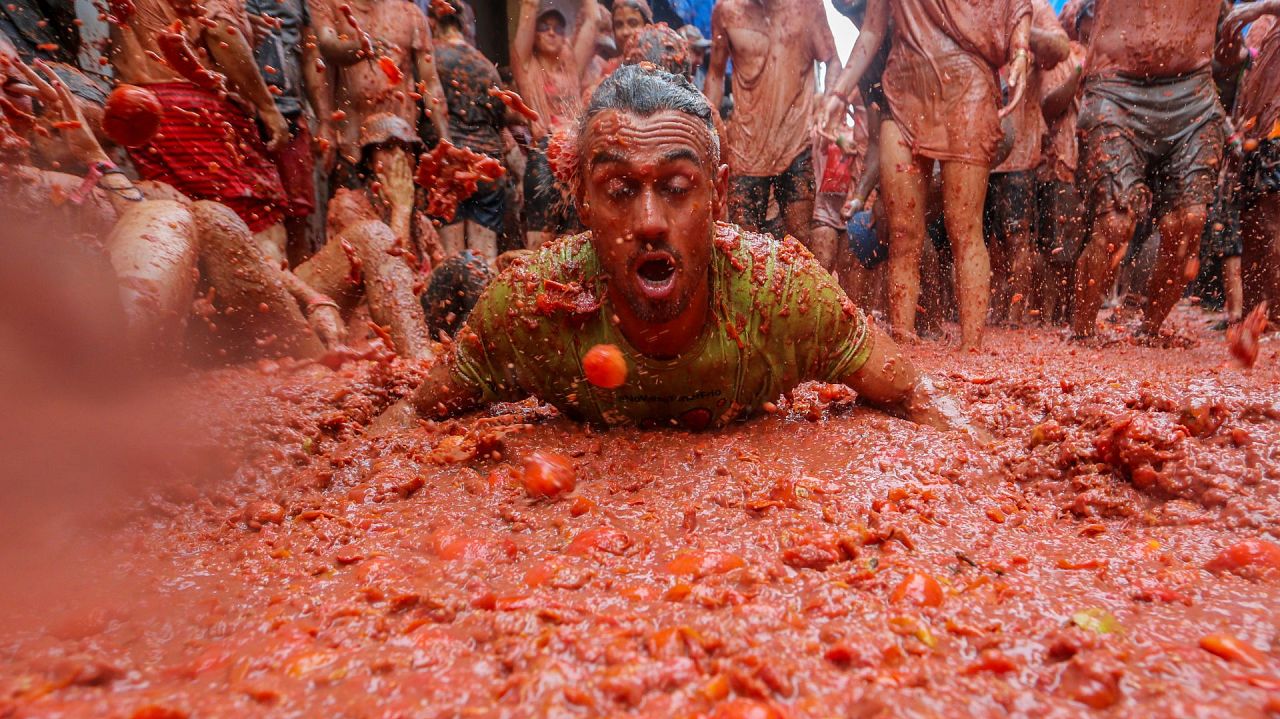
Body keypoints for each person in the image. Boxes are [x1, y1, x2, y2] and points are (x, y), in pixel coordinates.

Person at [376, 66, 975, 436]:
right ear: (581, 201)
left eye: (677, 188)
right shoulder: (531, 309)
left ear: (719, 193)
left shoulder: (785, 296)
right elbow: (404, 427)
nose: (650, 222)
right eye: (618, 190)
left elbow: (924, 404)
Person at [0, 57, 346, 361]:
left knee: (201, 214)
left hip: (221, 335)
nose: (51, 128)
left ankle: (325, 365)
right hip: (99, 374)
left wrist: (314, 299)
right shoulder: (26, 188)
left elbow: (245, 252)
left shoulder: (141, 192)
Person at [820, 0, 1032, 351]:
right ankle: (902, 340)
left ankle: (972, 347)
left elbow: (1015, 6)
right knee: (901, 231)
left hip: (968, 89)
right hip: (904, 92)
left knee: (964, 227)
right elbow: (872, 29)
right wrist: (839, 93)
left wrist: (1021, 50)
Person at [1069, 0, 1233, 341]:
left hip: (1194, 93)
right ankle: (1082, 332)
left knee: (1189, 220)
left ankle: (1149, 330)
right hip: (1115, 87)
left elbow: (1230, 56)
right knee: (1115, 224)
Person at [109, 0, 294, 266]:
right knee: (258, 226)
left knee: (182, 229)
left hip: (140, 109)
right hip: (196, 111)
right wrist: (268, 107)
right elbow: (219, 32)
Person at [703, 0, 841, 243]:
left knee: (800, 240)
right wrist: (705, 128)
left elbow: (832, 60)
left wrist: (829, 103)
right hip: (746, 151)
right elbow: (715, 73)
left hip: (795, 145)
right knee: (745, 245)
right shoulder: (727, 11)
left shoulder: (807, 7)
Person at [984, 0, 1068, 327]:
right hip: (976, 154)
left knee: (1017, 237)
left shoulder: (1034, 6)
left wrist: (1018, 28)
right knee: (983, 242)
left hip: (1019, 152)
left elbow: (1059, 47)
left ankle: (1016, 316)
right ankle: (990, 311)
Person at [310, 0, 450, 184]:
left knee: (401, 207)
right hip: (350, 146)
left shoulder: (411, 13)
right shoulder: (330, 4)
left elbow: (431, 84)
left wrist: (446, 141)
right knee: (350, 207)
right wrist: (360, 48)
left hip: (400, 143)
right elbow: (327, 46)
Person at [510, 0, 597, 249]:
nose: (551, 32)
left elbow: (593, 19)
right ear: (533, 35)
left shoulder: (571, 68)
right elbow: (528, 5)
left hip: (575, 156)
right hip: (544, 155)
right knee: (541, 241)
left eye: (558, 29)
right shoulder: (525, 66)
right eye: (544, 27)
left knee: (577, 238)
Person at [244, 0, 326, 263]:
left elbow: (311, 54)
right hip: (242, 114)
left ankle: (301, 297)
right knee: (247, 215)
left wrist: (324, 120)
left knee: (297, 216)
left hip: (291, 112)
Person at [429, 0, 508, 264]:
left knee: (451, 262)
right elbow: (500, 116)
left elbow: (429, 111)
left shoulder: (432, 58)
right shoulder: (486, 65)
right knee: (483, 261)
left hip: (451, 165)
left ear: (433, 22)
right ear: (465, 25)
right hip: (487, 165)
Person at [1223, 1, 1280, 327]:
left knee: (1271, 221)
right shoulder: (1264, 25)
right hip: (1256, 133)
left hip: (1273, 131)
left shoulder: (1262, 13)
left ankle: (1271, 314)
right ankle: (1257, 314)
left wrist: (1258, 9)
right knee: (1254, 225)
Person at [1034, 0, 1090, 326]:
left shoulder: (1109, 56)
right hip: (1061, 162)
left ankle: (1074, 316)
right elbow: (1050, 106)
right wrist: (1079, 73)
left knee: (1084, 245)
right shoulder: (1061, 55)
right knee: (1057, 250)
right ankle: (1051, 318)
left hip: (1094, 165)